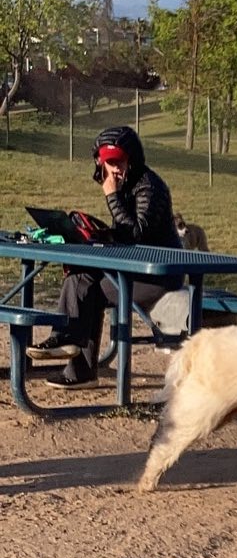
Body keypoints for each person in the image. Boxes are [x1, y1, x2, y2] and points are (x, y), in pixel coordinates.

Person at [39, 125, 182, 386]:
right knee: (78, 275)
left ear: (132, 159)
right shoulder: (126, 185)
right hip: (133, 268)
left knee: (91, 291)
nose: (113, 168)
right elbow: (123, 235)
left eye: (117, 161)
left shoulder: (150, 187)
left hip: (159, 275)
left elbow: (136, 233)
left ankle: (76, 360)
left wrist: (112, 196)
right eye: (107, 162)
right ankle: (67, 343)